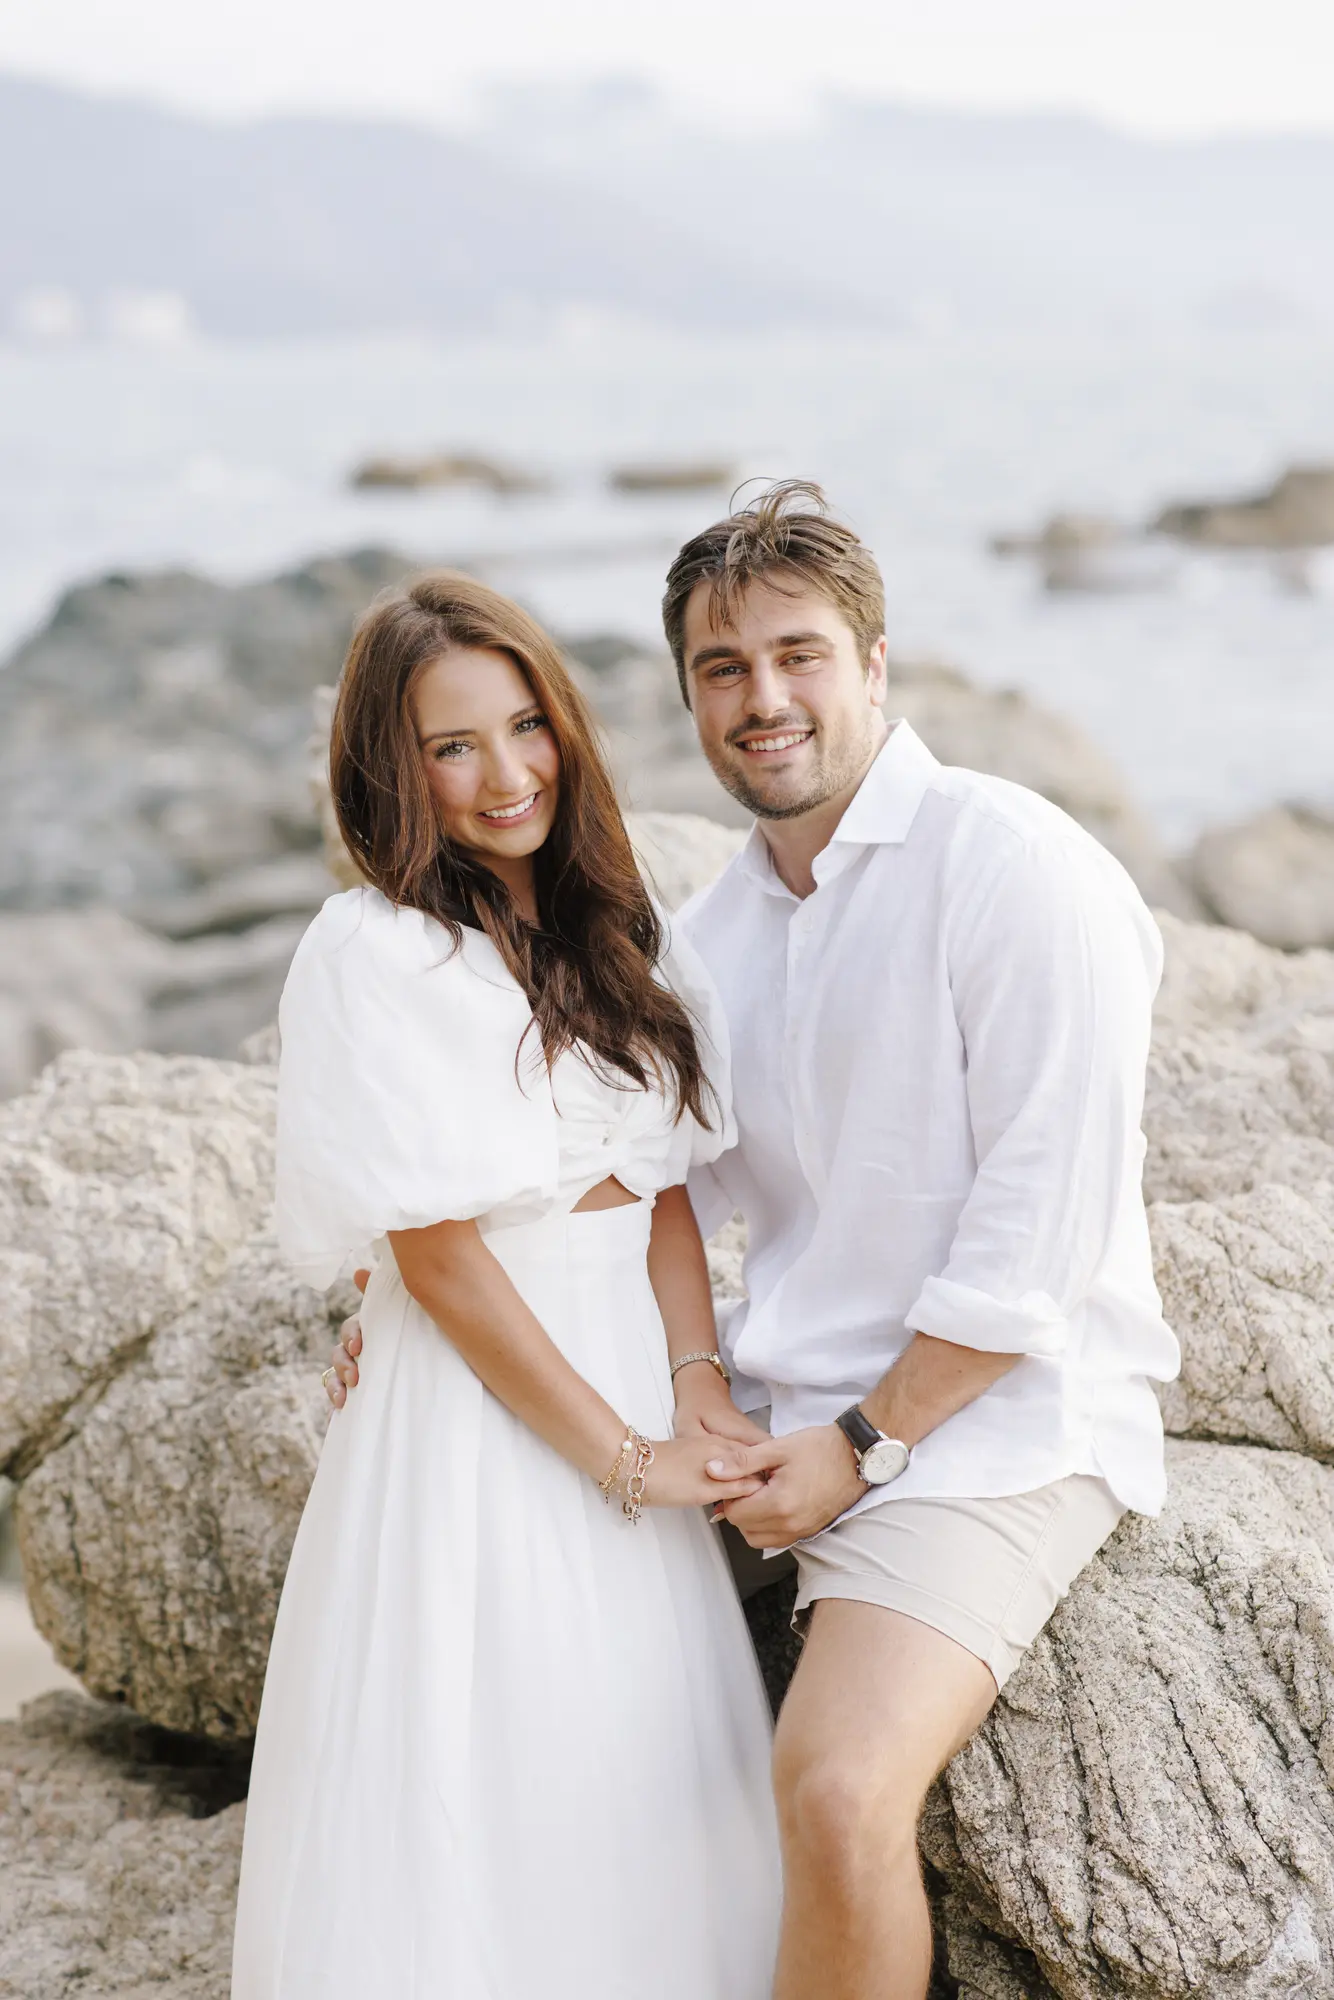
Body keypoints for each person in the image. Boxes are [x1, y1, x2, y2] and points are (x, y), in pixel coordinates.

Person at [328, 483, 1180, 2000]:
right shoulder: (715, 936)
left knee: (836, 1790)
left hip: (985, 1435)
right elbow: (625, 1180)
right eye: (722, 670)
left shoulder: (1013, 868)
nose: (762, 700)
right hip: (777, 1425)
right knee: (541, 1685)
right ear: (686, 700)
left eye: (799, 656)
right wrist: (387, 1286)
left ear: (874, 664)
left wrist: (862, 1446)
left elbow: (1035, 1248)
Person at [232, 572, 781, 1999]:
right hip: (479, 1406)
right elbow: (440, 1259)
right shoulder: (376, 951)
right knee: (487, 1775)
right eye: (451, 747)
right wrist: (624, 1460)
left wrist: (694, 1392)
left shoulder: (623, 925)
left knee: (637, 1780)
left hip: (630, 1376)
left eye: (525, 726)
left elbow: (660, 1193)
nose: (504, 775)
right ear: (392, 768)